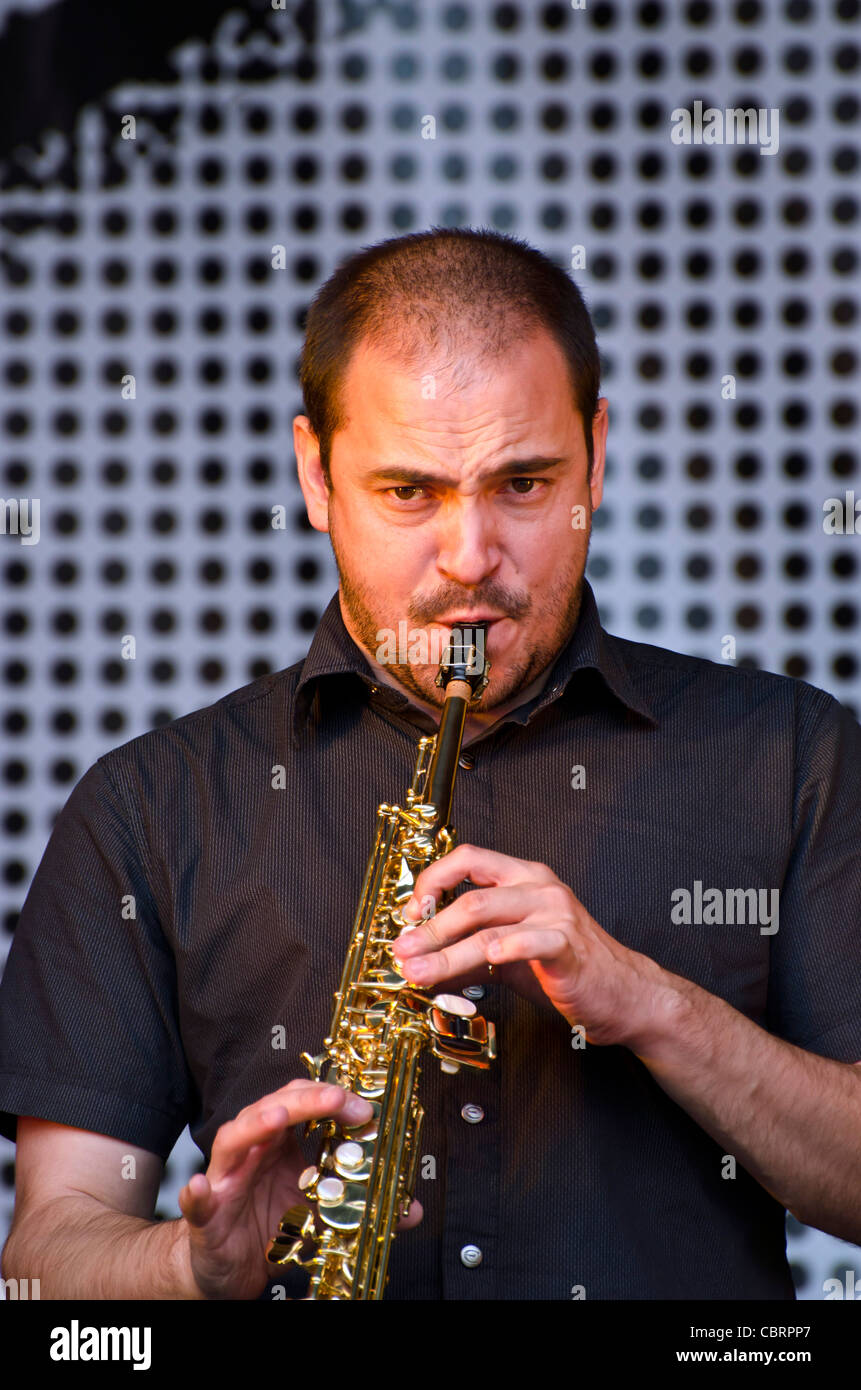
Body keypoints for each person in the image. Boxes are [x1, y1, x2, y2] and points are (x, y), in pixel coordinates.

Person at [1, 226, 860, 1301]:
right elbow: (46, 1259)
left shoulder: (789, 755)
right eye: (409, 491)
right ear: (316, 475)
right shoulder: (149, 809)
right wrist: (192, 1265)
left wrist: (647, 1001)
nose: (469, 558)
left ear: (596, 454)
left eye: (526, 484)